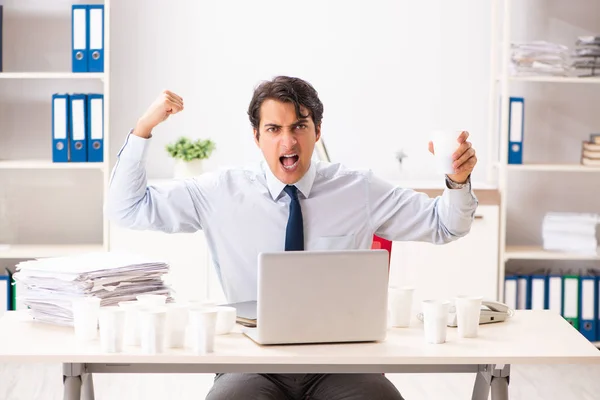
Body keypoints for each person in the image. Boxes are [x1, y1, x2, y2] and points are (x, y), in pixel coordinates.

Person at [106, 76, 479, 400]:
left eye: (299, 126)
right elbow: (128, 208)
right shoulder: (220, 192)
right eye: (274, 129)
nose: (288, 140)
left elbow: (445, 224)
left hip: (342, 363)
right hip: (251, 362)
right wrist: (143, 129)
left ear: (317, 131)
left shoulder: (358, 189)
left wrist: (457, 181)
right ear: (257, 136)